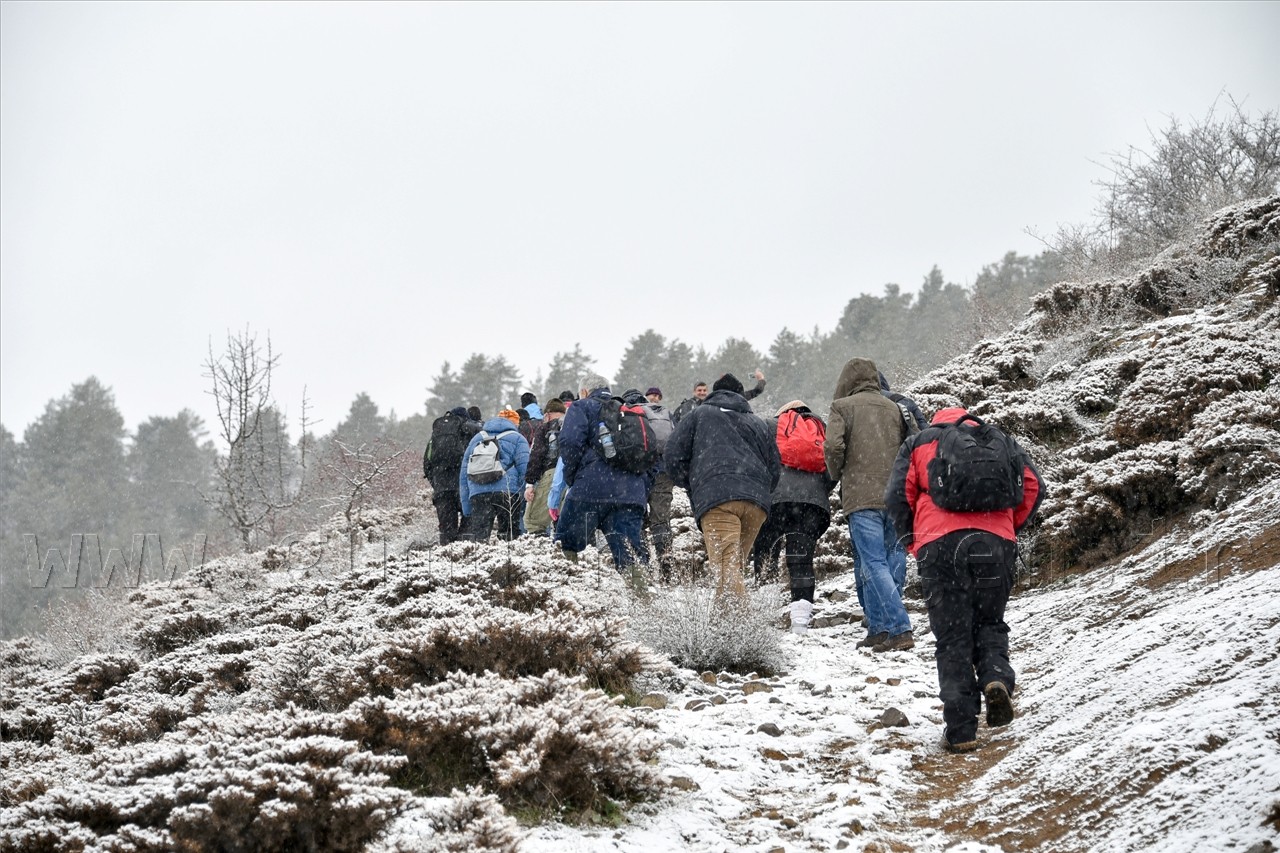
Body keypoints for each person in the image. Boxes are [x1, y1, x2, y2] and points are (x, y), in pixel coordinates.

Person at [886, 407, 1042, 753]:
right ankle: (996, 677)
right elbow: (1033, 486)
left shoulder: (919, 443)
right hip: (995, 543)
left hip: (939, 547)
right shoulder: (1000, 439)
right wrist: (1007, 529)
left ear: (938, 420)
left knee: (953, 636)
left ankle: (961, 730)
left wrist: (914, 541)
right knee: (990, 621)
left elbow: (897, 496)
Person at [825, 357, 914, 652]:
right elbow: (909, 446)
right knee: (890, 557)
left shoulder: (841, 407)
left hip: (861, 496)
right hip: (894, 495)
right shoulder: (895, 407)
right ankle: (878, 628)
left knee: (871, 561)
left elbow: (833, 447)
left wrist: (837, 473)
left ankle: (900, 627)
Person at [665, 373, 780, 599]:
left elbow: (672, 455)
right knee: (732, 570)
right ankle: (725, 630)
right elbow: (775, 468)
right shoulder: (758, 422)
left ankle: (743, 630)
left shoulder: (699, 414)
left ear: (715, 392)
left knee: (726, 572)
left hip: (718, 498)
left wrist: (695, 483)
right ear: (740, 394)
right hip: (756, 504)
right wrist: (759, 490)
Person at [554, 374, 652, 586]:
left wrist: (573, 478)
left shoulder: (581, 407)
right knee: (629, 554)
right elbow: (652, 454)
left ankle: (564, 598)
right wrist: (642, 488)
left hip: (590, 488)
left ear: (584, 392)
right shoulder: (628, 410)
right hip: (630, 493)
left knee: (565, 543)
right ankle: (647, 605)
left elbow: (570, 442)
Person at [751, 400, 835, 634]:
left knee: (766, 553)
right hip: (810, 504)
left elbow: (759, 463)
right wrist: (819, 492)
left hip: (775, 500)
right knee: (800, 560)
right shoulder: (821, 428)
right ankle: (800, 623)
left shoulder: (770, 426)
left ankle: (765, 616)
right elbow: (832, 467)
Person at [458, 409, 529, 542]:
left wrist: (466, 506)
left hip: (478, 491)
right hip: (507, 491)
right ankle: (509, 560)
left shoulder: (477, 438)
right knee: (509, 535)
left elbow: (464, 473)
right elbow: (525, 470)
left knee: (479, 537)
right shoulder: (518, 439)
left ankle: (478, 560)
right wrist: (523, 496)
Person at [423, 406, 479, 545]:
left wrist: (436, 483)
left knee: (447, 530)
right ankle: (464, 555)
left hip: (442, 487)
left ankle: (446, 559)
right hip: (464, 485)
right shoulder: (470, 431)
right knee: (468, 522)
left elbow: (427, 463)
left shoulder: (436, 437)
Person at [638, 387, 676, 576]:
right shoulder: (668, 414)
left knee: (638, 519)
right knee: (661, 519)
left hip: (641, 472)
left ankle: (642, 563)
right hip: (664, 472)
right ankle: (666, 561)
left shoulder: (638, 413)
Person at [523, 397, 566, 536]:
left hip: (551, 474)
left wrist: (530, 483)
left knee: (533, 521)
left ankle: (540, 551)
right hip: (573, 474)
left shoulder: (545, 428)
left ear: (547, 414)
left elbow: (536, 456)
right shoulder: (574, 425)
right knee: (563, 518)